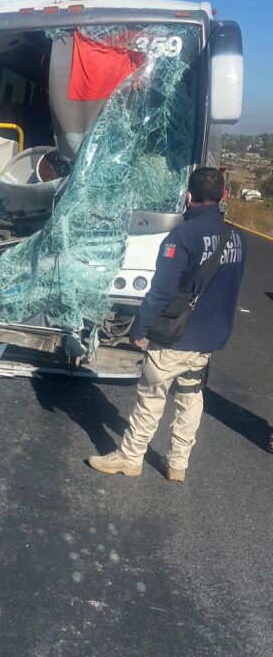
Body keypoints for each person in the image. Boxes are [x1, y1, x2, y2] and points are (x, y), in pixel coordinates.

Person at [87, 167, 246, 482]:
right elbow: (231, 286)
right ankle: (178, 464)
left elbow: (161, 290)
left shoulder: (183, 235)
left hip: (175, 337)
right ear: (224, 196)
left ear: (188, 196)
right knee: (190, 397)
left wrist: (139, 329)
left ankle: (130, 458)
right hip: (209, 339)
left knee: (151, 395)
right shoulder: (236, 237)